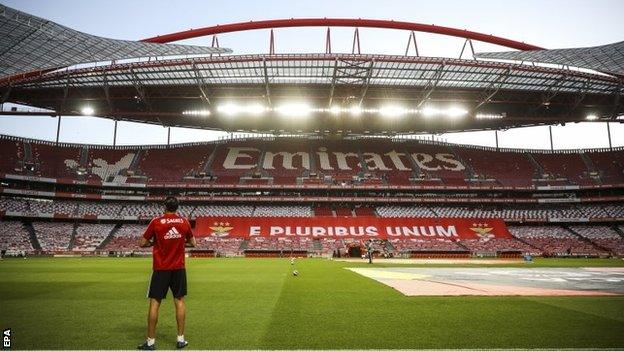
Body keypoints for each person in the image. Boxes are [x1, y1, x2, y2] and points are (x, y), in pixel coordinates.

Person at [137, 196, 196, 350]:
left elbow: (142, 243)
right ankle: (181, 340)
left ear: (164, 206)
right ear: (177, 207)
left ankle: (150, 342)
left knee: (155, 303)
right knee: (180, 301)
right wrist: (179, 241)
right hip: (178, 268)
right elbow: (193, 243)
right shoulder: (184, 222)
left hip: (161, 268)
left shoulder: (156, 221)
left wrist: (155, 242)